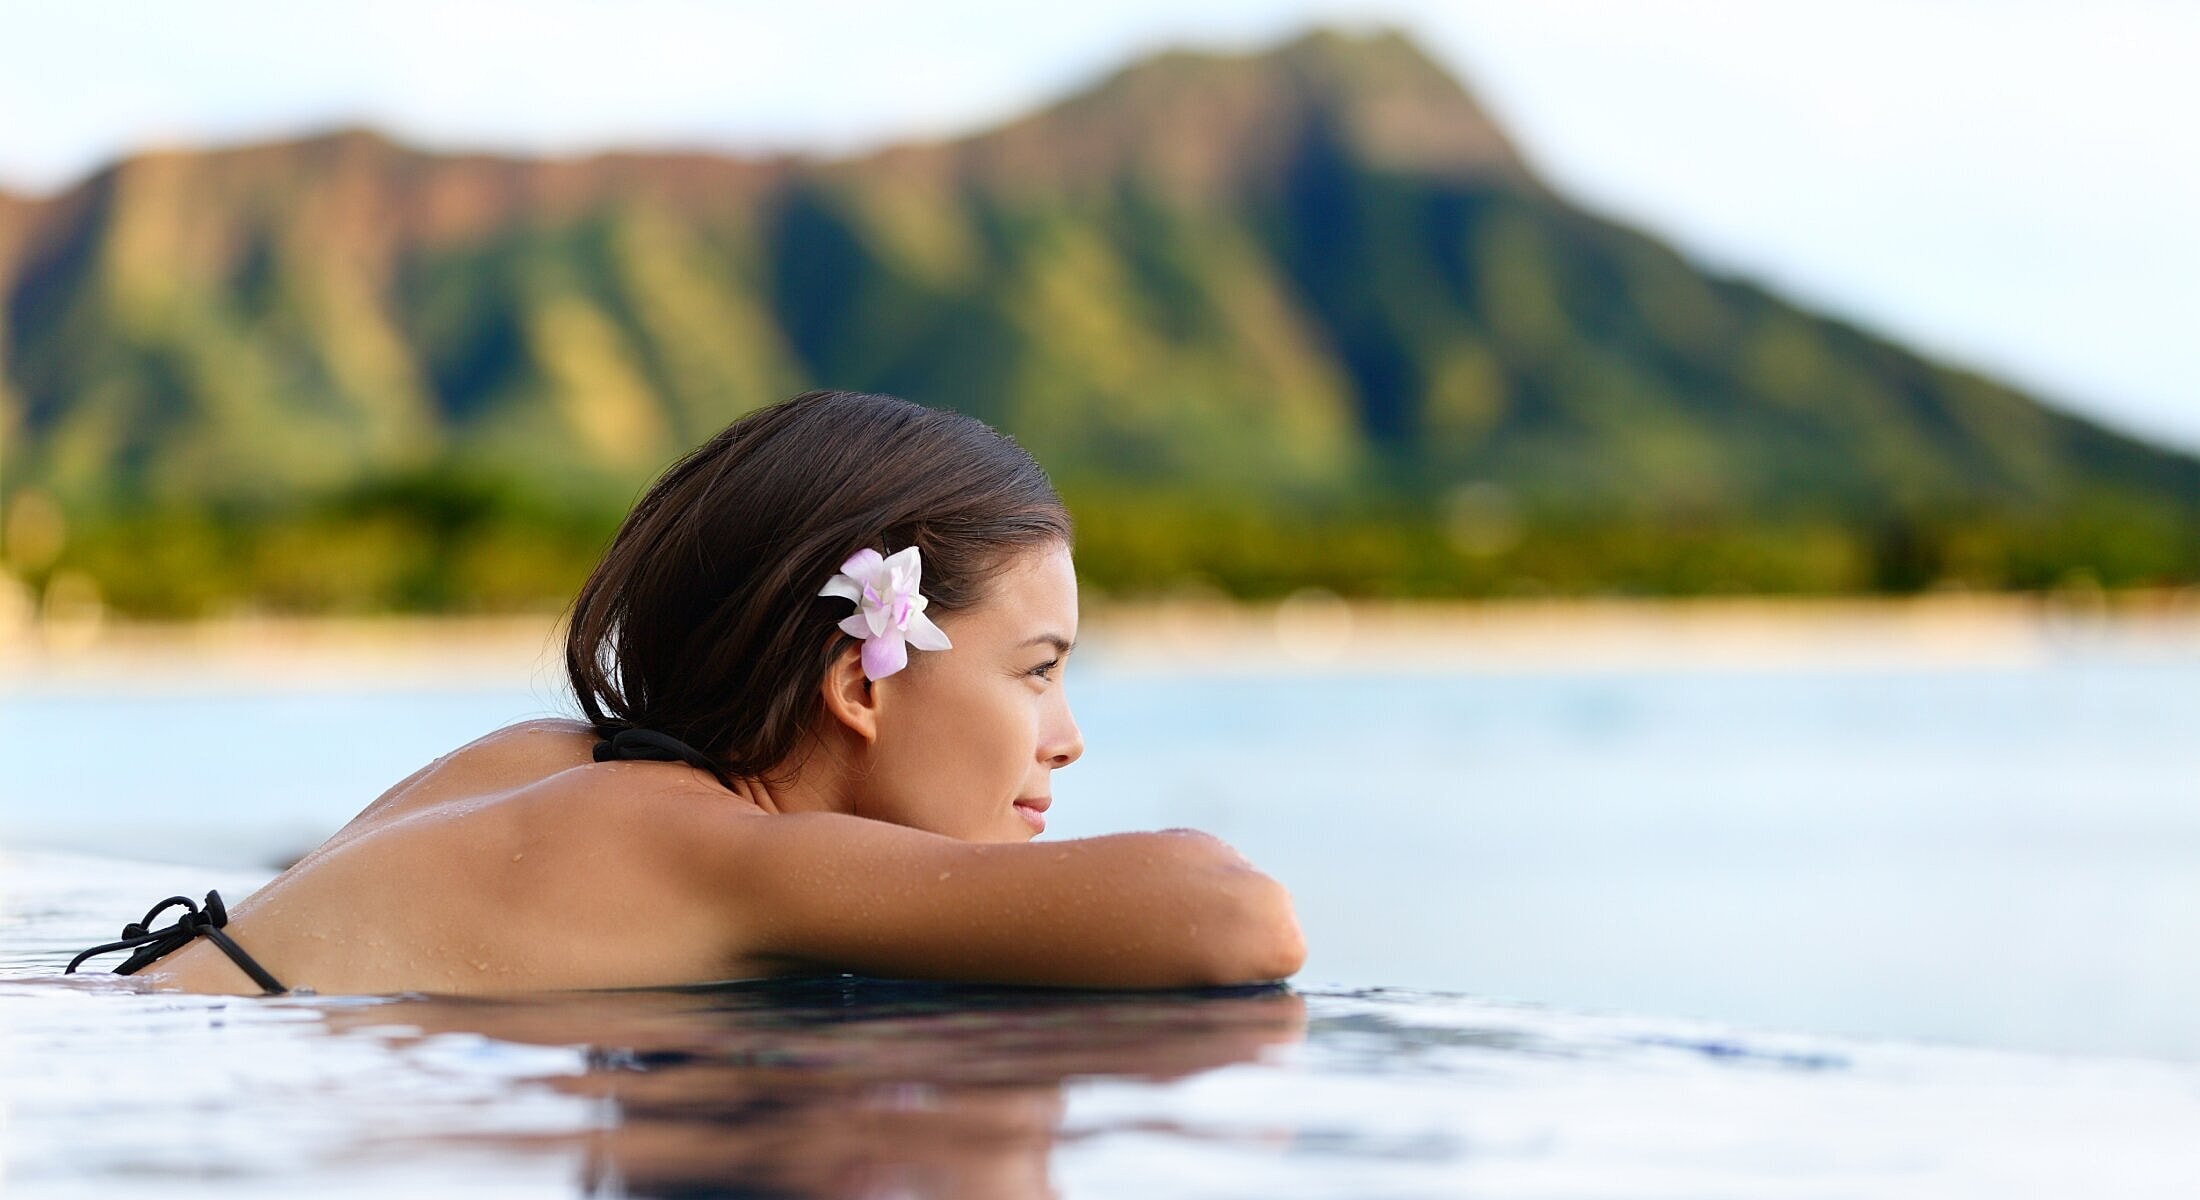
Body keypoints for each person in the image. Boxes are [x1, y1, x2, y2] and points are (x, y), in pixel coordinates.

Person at [69, 390, 1306, 997]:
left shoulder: (556, 760)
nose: (1068, 740)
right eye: (1037, 674)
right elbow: (1236, 919)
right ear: (856, 683)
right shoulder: (696, 844)